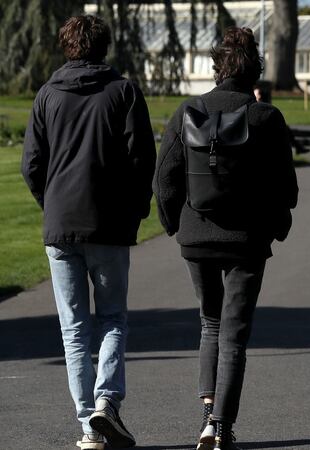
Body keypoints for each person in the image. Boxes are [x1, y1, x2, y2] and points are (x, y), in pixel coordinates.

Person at [153, 27, 298, 450]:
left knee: (209, 323)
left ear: (217, 67)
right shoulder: (266, 118)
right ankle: (221, 427)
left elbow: (164, 180)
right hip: (247, 239)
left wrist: (174, 225)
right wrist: (277, 224)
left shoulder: (186, 112)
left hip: (196, 236)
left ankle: (206, 417)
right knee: (234, 333)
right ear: (255, 70)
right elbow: (284, 187)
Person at [20, 15, 155, 450]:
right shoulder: (123, 92)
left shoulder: (47, 95)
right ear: (104, 47)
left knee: (73, 329)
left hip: (60, 225)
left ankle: (87, 426)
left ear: (67, 46)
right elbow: (141, 160)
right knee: (112, 318)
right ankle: (106, 403)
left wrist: (52, 203)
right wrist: (135, 211)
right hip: (109, 224)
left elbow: (32, 165)